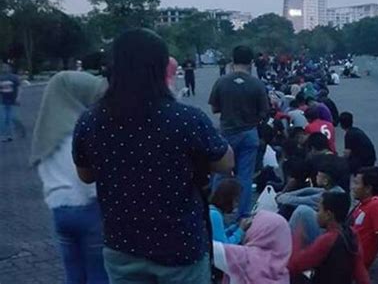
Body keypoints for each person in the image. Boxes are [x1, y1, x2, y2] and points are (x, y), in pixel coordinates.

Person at [72, 29, 235, 284]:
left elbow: (85, 175)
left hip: (122, 245)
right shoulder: (186, 119)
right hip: (180, 248)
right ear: (161, 68)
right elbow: (226, 162)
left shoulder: (91, 120)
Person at [30, 71, 109, 284]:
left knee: (73, 273)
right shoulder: (82, 131)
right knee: (98, 273)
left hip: (59, 210)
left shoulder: (46, 132)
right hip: (88, 208)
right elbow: (91, 177)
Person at [209, 45, 269, 219]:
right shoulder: (257, 84)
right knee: (245, 176)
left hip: (227, 132)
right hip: (249, 133)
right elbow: (264, 112)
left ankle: (215, 213)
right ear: (251, 62)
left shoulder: (222, 81)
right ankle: (243, 215)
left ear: (232, 61)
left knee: (220, 174)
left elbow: (214, 108)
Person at [288, 192, 370, 284]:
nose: (317, 214)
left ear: (328, 215)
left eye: (319, 210)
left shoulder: (327, 240)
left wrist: (297, 237)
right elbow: (360, 272)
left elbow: (295, 265)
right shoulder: (352, 233)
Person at [212, 210, 292, 284]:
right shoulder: (283, 272)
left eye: (252, 225)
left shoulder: (245, 257)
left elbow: (210, 248)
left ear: (259, 230)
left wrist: (240, 230)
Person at [209, 178, 245, 244]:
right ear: (228, 199)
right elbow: (225, 246)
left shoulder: (212, 211)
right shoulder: (215, 215)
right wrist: (241, 230)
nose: (237, 204)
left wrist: (236, 226)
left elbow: (219, 234)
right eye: (236, 200)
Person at [0, 63, 24, 142]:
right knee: (3, 118)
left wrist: (18, 97)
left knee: (10, 118)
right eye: (3, 67)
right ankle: (4, 135)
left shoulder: (14, 77)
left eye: (6, 67)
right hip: (2, 101)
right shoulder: (1, 78)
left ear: (9, 68)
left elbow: (19, 87)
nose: (4, 69)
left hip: (12, 101)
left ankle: (11, 134)